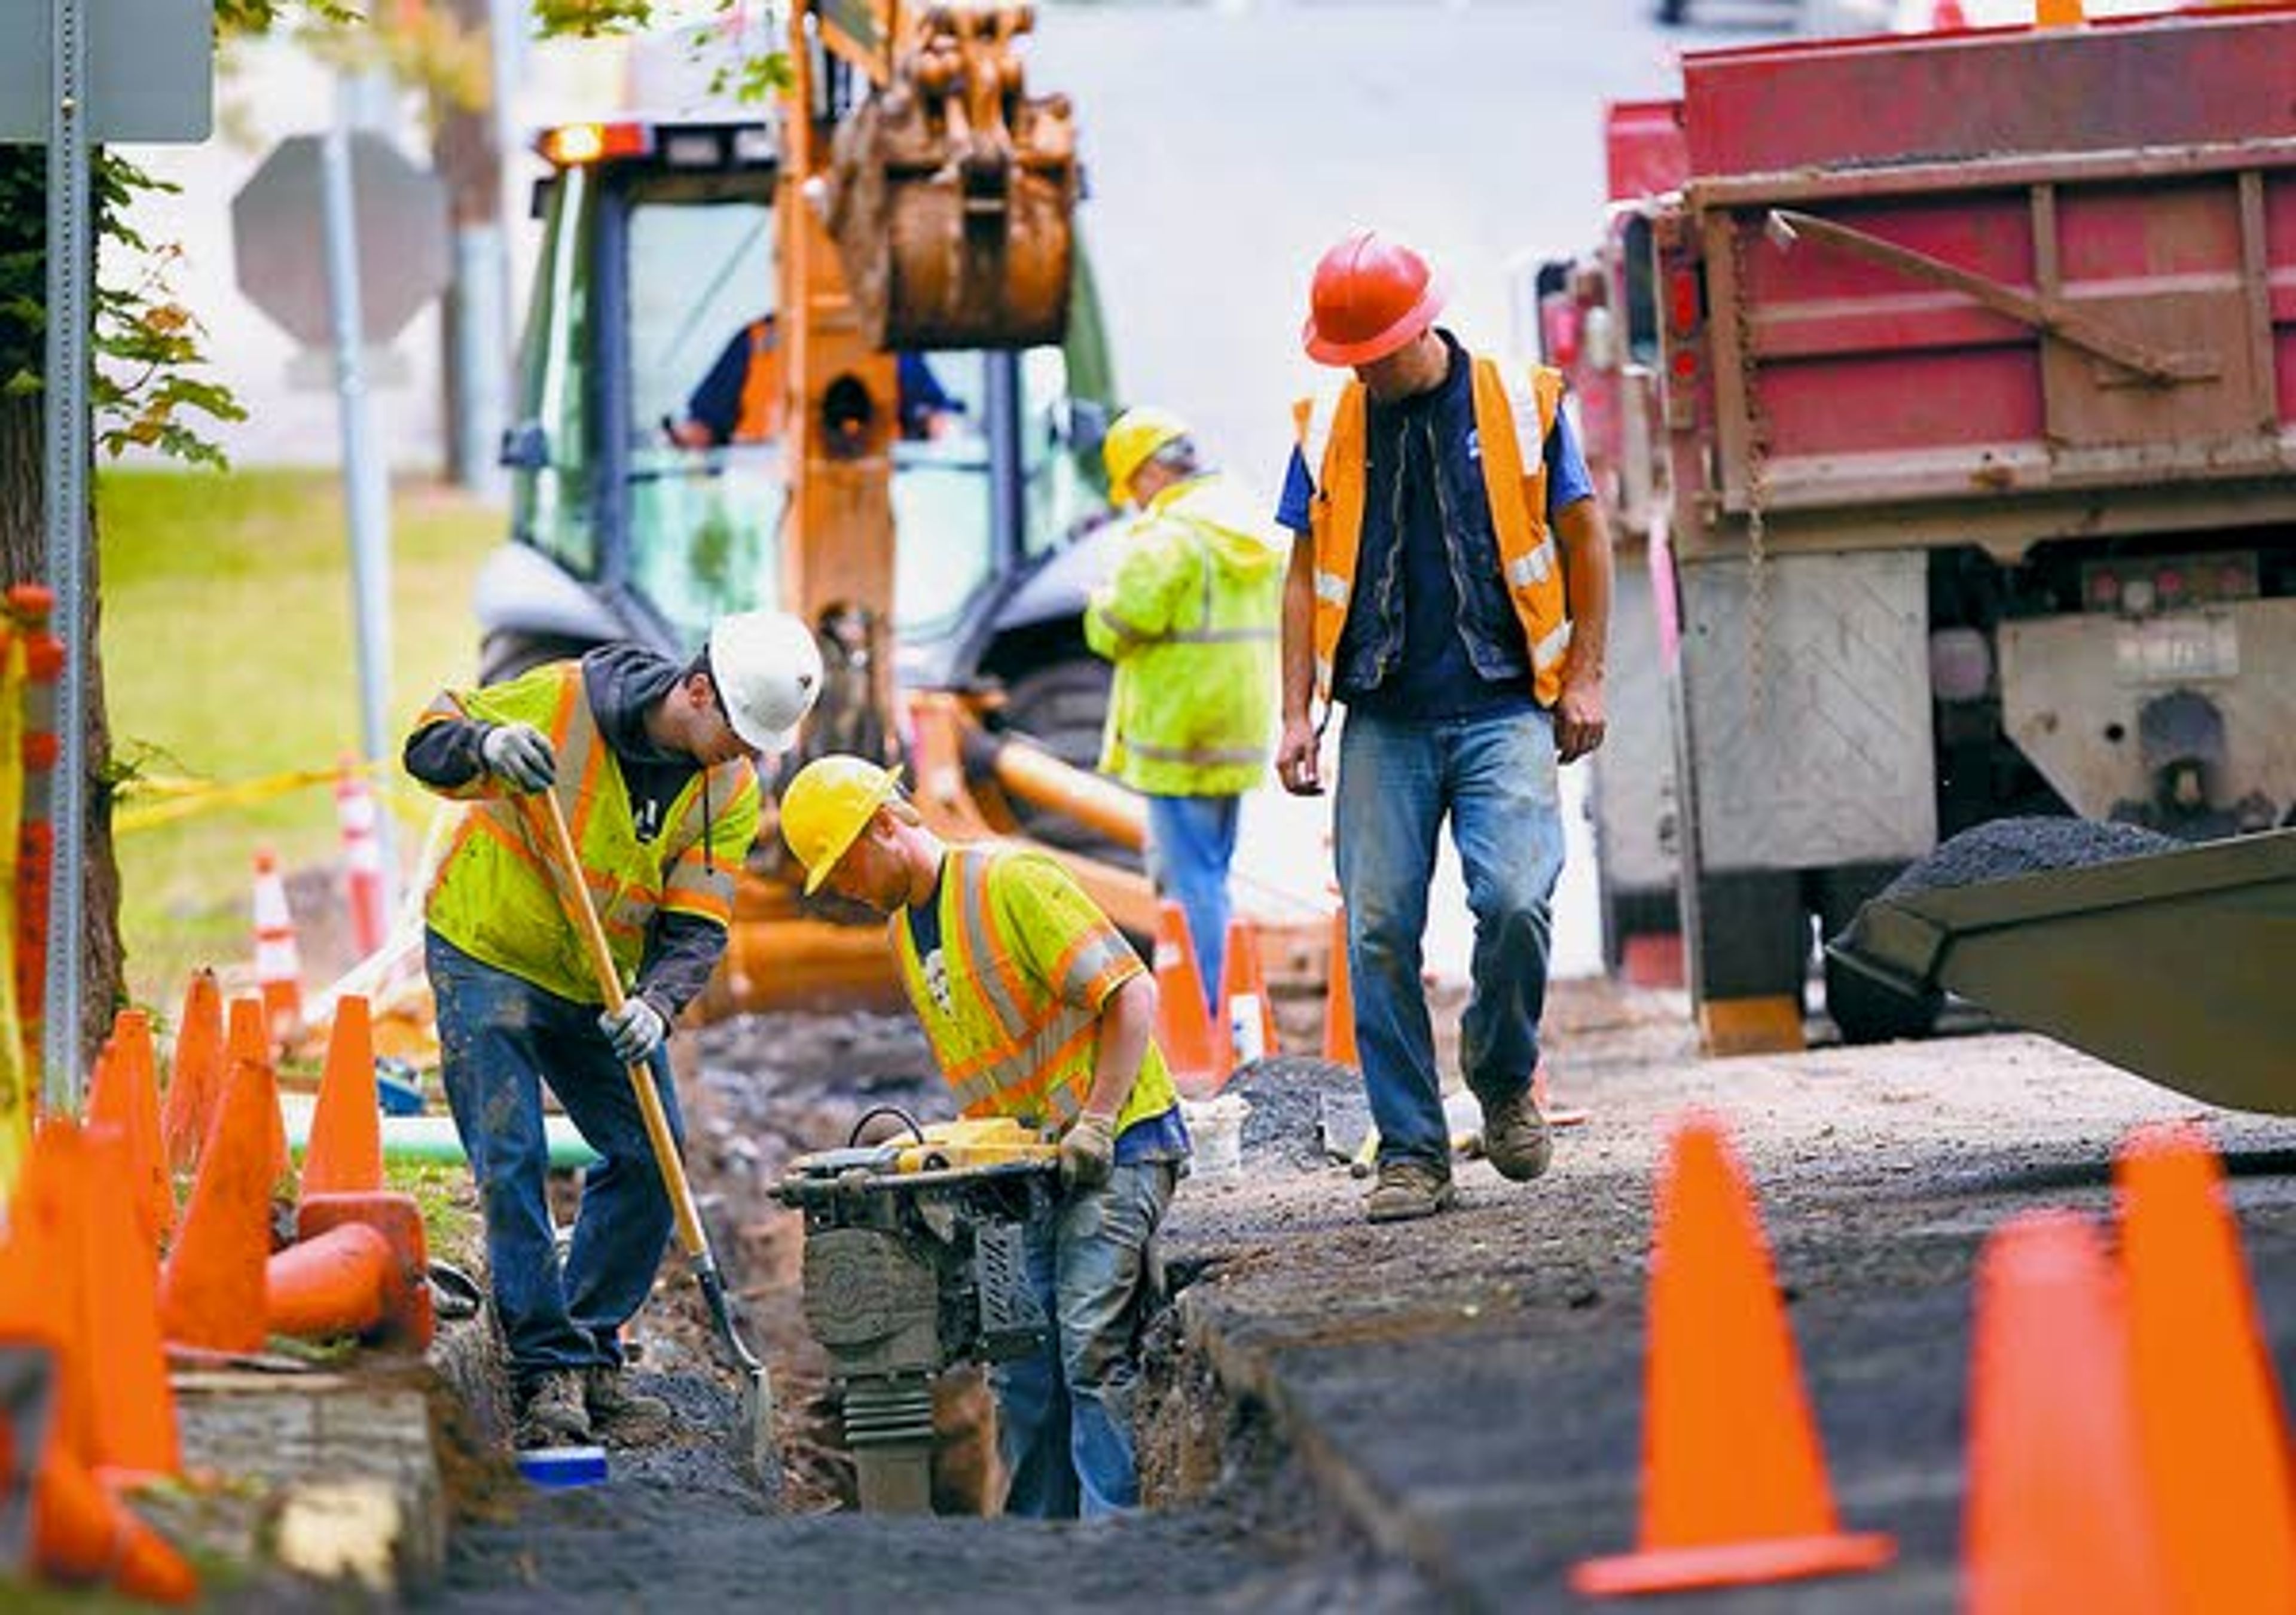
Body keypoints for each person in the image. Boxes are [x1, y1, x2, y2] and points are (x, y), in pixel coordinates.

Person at [403, 611, 824, 1448]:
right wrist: (484, 750)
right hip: (488, 948)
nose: (741, 755)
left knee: (649, 1154)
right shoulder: (564, 699)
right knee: (512, 1155)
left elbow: (696, 926)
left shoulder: (730, 791)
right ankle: (541, 1366)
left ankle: (590, 1346)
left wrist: (658, 1004)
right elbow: (427, 744)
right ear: (696, 690)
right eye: (736, 734)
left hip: (596, 984)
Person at [1274, 229, 1613, 1225]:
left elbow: (1584, 537)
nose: (1361, 373)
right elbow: (1302, 576)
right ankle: (1413, 1151)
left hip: (1504, 701)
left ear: (1418, 329)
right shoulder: (1328, 424)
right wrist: (1296, 711)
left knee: (1515, 901)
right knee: (1377, 929)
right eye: (1347, 359)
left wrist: (1585, 677)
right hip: (1383, 715)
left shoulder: (1523, 403)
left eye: (1371, 354)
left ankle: (1503, 1077)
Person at [777, 755, 1189, 1518]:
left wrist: (1095, 1120)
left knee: (1091, 1348)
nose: (843, 888)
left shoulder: (1010, 883)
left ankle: (1118, 1552)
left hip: (1119, 1145)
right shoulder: (906, 934)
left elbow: (1131, 992)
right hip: (1022, 1175)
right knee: (1023, 1367)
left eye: (843, 866)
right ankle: (1038, 1552)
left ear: (883, 827)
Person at [1085, 406, 1284, 1016]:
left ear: (1148, 472)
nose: (1135, 503)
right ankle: (1221, 1007)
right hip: (1237, 728)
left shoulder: (1168, 536)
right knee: (1212, 870)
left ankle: (1208, 1012)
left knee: (1189, 882)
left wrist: (1098, 604)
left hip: (1178, 730)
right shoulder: (1243, 519)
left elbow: (1121, 624)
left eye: (1133, 487)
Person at [670, 312, 964, 447]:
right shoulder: (756, 342)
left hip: (871, 502)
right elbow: (704, 425)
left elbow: (936, 417)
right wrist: (681, 441)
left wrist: (945, 428)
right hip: (766, 507)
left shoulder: (885, 339)